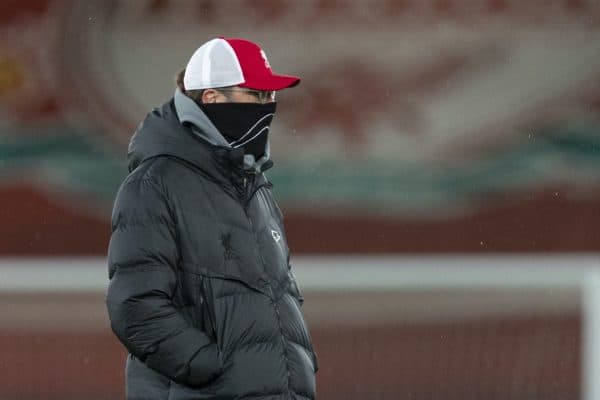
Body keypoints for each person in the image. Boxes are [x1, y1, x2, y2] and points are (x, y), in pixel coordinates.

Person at [106, 37, 317, 400]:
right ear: (212, 98)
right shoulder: (156, 182)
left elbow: (280, 296)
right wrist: (211, 369)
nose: (267, 107)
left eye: (270, 97)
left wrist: (298, 364)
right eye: (255, 95)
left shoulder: (255, 184)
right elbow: (135, 305)